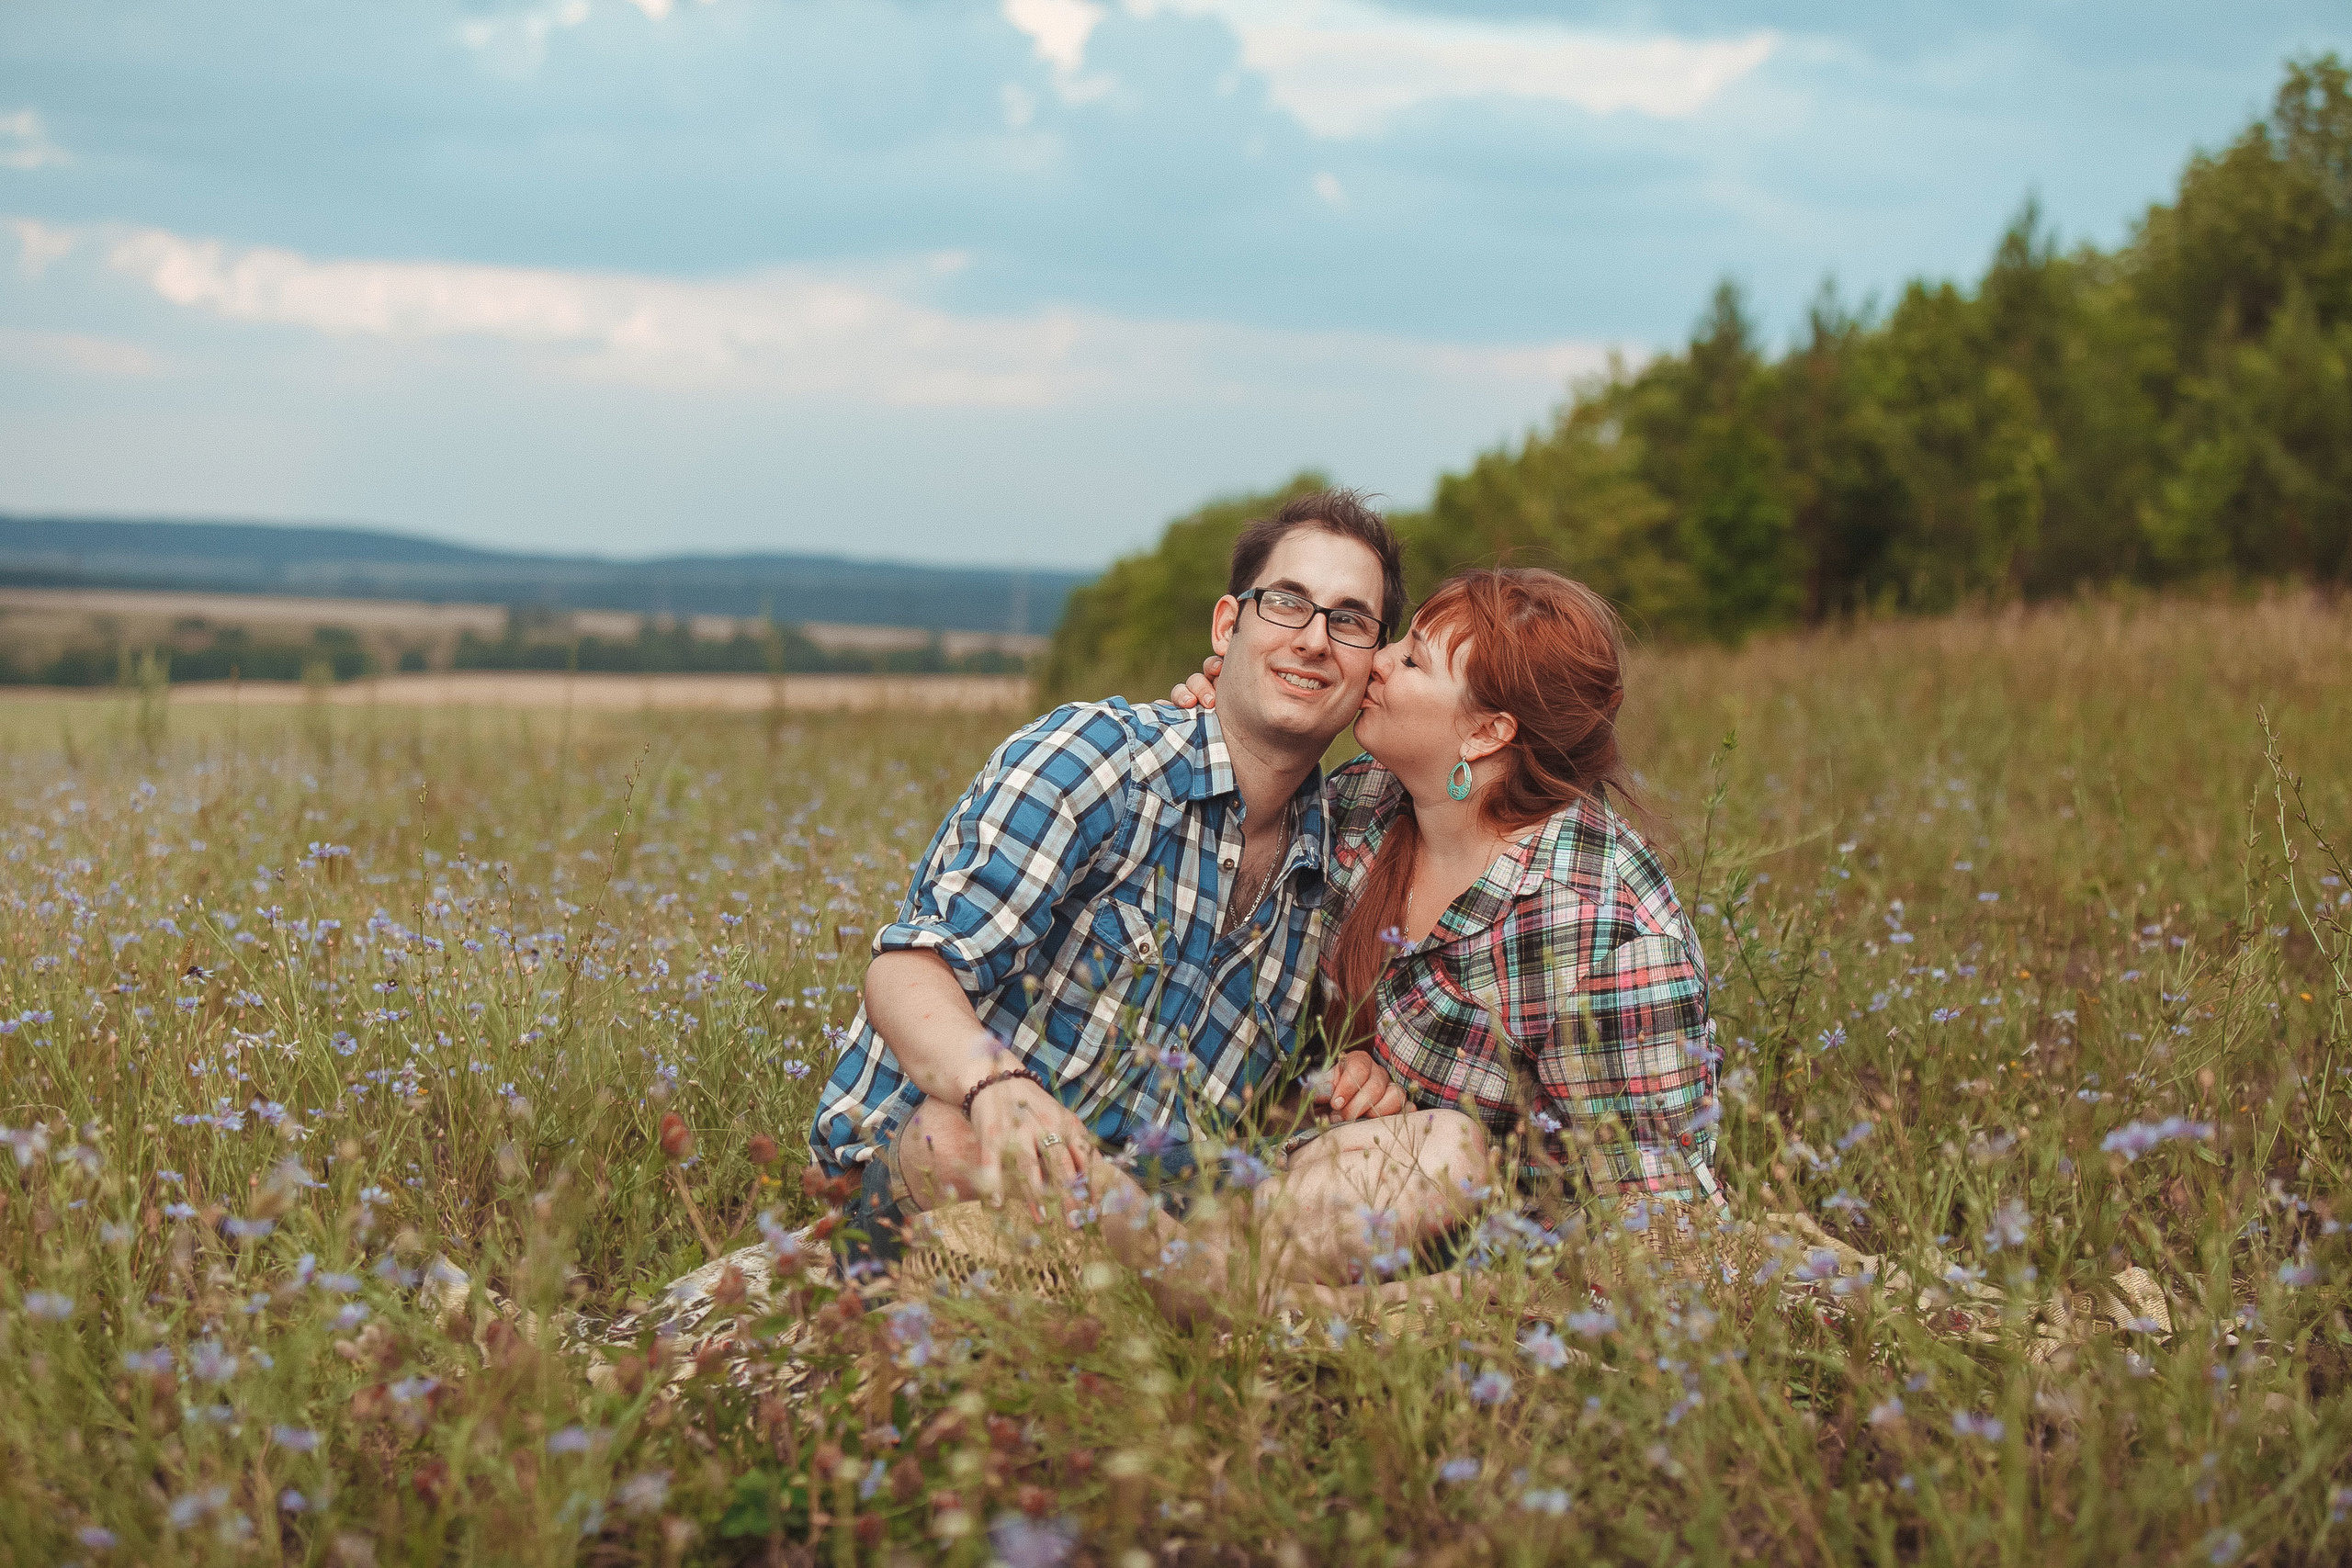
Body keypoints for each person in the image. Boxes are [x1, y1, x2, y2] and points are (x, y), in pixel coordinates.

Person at [806, 489, 1412, 1258]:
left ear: (1373, 663)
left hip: (1154, 1205)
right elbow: (907, 968)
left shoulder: (1335, 852)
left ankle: (1176, 1277)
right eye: (1287, 603)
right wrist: (995, 1085)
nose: (1315, 640)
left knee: (1435, 1148)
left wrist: (1352, 1077)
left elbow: (1266, 1107)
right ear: (1229, 625)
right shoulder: (1101, 759)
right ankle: (1224, 1302)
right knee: (950, 1138)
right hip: (949, 1170)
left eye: (1350, 619)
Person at [1159, 567, 1720, 1302]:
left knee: (1450, 1152)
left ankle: (1188, 1286)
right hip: (1308, 1171)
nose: (1381, 658)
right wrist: (1221, 713)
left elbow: (1656, 1228)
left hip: (1494, 1259)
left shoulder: (1603, 930)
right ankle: (1185, 1268)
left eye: (1415, 658)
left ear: (1489, 730)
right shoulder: (1369, 800)